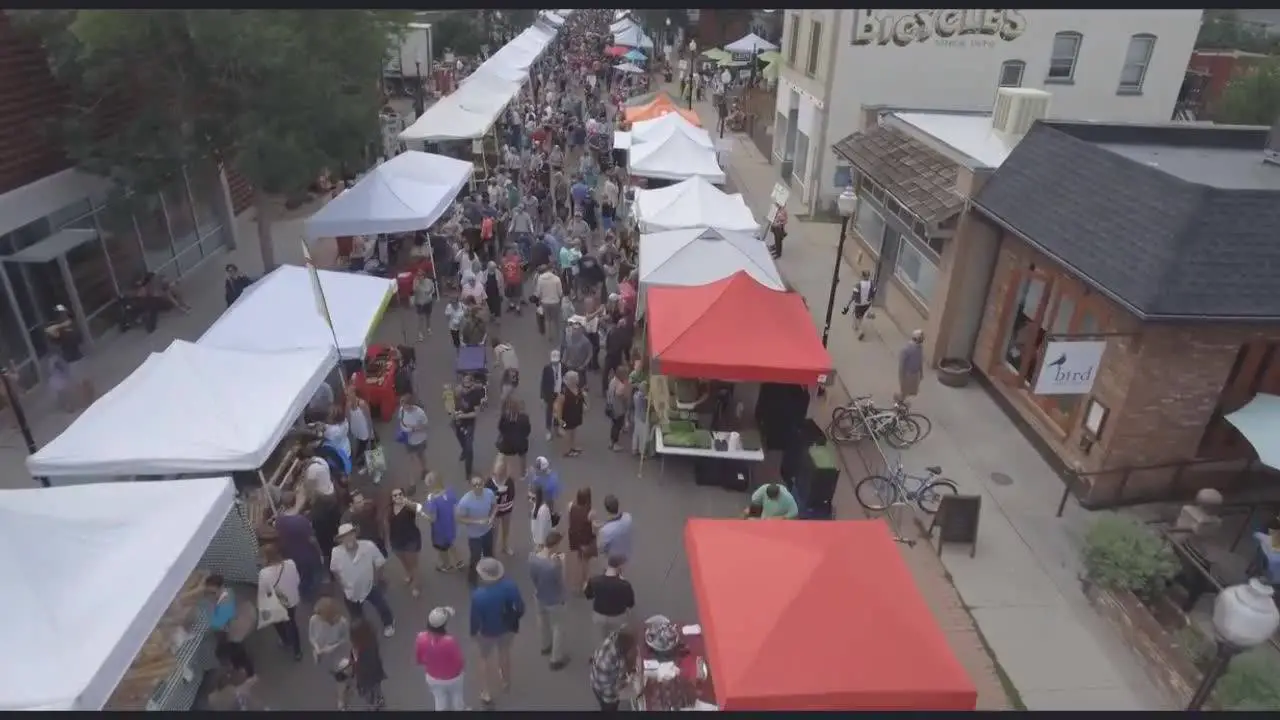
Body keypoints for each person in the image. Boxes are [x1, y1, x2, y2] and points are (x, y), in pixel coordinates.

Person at [469, 557, 525, 706]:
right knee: (505, 652)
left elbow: (475, 619)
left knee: (484, 658)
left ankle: (486, 692)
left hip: (487, 632)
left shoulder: (478, 595)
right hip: (507, 628)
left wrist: (474, 633)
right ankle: (506, 680)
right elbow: (520, 607)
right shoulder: (510, 586)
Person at [330, 523, 396, 637]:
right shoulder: (336, 552)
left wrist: (377, 579)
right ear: (340, 540)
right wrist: (342, 585)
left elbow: (379, 563)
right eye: (344, 537)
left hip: (369, 585)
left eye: (350, 535)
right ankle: (364, 631)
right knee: (356, 616)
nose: (348, 538)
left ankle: (389, 623)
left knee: (381, 605)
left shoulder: (368, 546)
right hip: (350, 591)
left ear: (355, 534)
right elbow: (334, 570)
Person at [272, 490, 324, 602]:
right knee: (312, 575)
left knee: (300, 575)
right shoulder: (302, 521)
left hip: (290, 554)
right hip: (307, 555)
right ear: (295, 502)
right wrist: (320, 552)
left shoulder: (279, 521)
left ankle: (304, 592)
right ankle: (312, 593)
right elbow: (312, 539)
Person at [528, 529, 569, 669]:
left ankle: (545, 645)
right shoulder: (554, 566)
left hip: (539, 595)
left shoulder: (533, 558)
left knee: (542, 621)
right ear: (555, 545)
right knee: (558, 627)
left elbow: (533, 577)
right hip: (554, 599)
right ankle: (556, 658)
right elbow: (562, 581)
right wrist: (562, 564)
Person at [257, 543, 303, 660]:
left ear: (266, 558)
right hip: (292, 600)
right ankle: (297, 651)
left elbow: (265, 591)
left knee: (277, 622)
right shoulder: (291, 563)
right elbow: (297, 580)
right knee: (291, 623)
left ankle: (285, 640)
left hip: (277, 603)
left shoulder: (264, 573)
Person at [205, 573, 257, 678]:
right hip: (235, 627)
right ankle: (241, 667)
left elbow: (219, 624)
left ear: (220, 588)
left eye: (212, 592)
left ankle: (248, 671)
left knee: (238, 652)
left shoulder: (225, 603)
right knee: (237, 652)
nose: (211, 595)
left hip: (234, 631)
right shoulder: (226, 592)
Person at [417, 606, 468, 711]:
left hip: (433, 677)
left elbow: (419, 659)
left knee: (439, 701)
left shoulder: (421, 638)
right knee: (457, 699)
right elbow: (459, 661)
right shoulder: (450, 641)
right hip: (453, 678)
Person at [45, 304, 93, 412]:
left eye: (64, 314)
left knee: (85, 380)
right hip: (68, 359)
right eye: (61, 315)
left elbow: (79, 337)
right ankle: (78, 403)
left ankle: (88, 399)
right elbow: (49, 331)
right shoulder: (58, 329)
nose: (64, 317)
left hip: (78, 355)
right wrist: (62, 325)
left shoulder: (72, 326)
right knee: (73, 383)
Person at [309, 596, 354, 709]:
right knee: (335, 675)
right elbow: (312, 636)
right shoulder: (314, 620)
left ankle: (341, 701)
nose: (317, 616)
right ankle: (348, 679)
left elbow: (346, 639)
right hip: (324, 657)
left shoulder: (342, 623)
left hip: (339, 656)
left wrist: (332, 647)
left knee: (340, 679)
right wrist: (316, 647)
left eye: (320, 614)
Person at [456, 475, 498, 586]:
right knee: (475, 557)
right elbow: (459, 518)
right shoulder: (465, 501)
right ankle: (472, 580)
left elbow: (495, 506)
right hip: (474, 536)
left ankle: (491, 573)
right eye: (475, 485)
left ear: (483, 483)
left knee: (489, 554)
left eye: (480, 483)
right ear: (471, 486)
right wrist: (477, 522)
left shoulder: (489, 493)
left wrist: (492, 517)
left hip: (488, 531)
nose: (478, 486)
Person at [585, 554, 635, 643]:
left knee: (601, 641)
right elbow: (630, 604)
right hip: (617, 617)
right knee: (617, 641)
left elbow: (588, 595)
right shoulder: (625, 585)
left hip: (599, 616)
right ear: (620, 567)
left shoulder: (594, 580)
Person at [421, 472, 466, 572]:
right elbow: (456, 506)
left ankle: (446, 565)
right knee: (451, 544)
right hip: (450, 526)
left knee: (442, 549)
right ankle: (459, 561)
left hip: (439, 531)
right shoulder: (450, 491)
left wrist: (423, 514)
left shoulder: (433, 500)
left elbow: (433, 518)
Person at [589, 627, 638, 711]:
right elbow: (618, 687)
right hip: (605, 691)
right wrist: (633, 686)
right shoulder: (614, 661)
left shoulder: (615, 637)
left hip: (596, 680)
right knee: (610, 708)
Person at [388, 487, 425, 598]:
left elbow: (418, 508)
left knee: (413, 564)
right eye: (395, 495)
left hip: (410, 540)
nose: (398, 496)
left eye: (400, 494)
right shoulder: (390, 509)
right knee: (403, 561)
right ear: (391, 498)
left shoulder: (408, 507)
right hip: (396, 540)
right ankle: (408, 574)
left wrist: (407, 502)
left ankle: (415, 585)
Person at [452, 373, 486, 479]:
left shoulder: (475, 395)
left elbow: (476, 413)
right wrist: (454, 412)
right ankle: (464, 451)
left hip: (469, 423)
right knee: (460, 437)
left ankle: (468, 471)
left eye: (468, 386)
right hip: (458, 421)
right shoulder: (458, 391)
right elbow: (454, 403)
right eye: (464, 386)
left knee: (469, 447)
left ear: (472, 384)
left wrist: (463, 415)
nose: (466, 389)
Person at [350, 618, 388, 710]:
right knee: (376, 688)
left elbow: (359, 663)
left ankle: (372, 706)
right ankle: (379, 700)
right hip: (376, 671)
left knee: (367, 693)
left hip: (365, 677)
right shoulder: (372, 640)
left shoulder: (359, 649)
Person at [485, 455, 517, 556]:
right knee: (494, 531)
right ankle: (492, 551)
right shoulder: (490, 482)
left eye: (501, 472)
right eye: (497, 472)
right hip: (494, 510)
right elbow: (486, 496)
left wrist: (506, 493)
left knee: (506, 529)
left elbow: (512, 494)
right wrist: (496, 494)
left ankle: (505, 546)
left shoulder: (509, 481)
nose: (499, 475)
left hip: (507, 509)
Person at [566, 486, 597, 592]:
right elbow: (593, 529)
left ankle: (577, 577)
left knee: (579, 556)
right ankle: (584, 581)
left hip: (575, 537)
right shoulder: (591, 512)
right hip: (585, 539)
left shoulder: (571, 507)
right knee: (586, 561)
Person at [496, 396, 531, 482]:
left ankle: (508, 475)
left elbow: (500, 428)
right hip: (521, 442)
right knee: (522, 457)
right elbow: (528, 429)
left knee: (508, 459)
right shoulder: (524, 417)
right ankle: (523, 474)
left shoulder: (505, 417)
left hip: (507, 442)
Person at [553, 370, 587, 457]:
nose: (577, 380)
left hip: (575, 415)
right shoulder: (564, 392)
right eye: (575, 378)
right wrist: (560, 419)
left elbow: (580, 399)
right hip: (566, 417)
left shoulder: (577, 388)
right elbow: (558, 406)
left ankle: (572, 447)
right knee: (567, 433)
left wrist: (584, 406)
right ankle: (566, 450)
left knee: (573, 431)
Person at [396, 393, 430, 479]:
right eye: (402, 404)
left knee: (421, 455)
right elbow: (400, 420)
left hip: (419, 439)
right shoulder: (402, 410)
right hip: (408, 439)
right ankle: (412, 482)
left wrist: (414, 429)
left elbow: (426, 425)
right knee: (410, 459)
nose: (403, 407)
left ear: (411, 404)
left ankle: (424, 469)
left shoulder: (419, 413)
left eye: (405, 405)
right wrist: (403, 429)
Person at [596, 494, 634, 567]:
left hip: (612, 559)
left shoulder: (604, 531)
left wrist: (597, 531)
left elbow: (600, 547)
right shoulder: (628, 517)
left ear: (607, 509)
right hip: (625, 553)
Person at [842, 270, 876, 341]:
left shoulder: (858, 285)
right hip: (867, 304)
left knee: (857, 317)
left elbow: (853, 296)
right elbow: (873, 294)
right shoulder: (872, 284)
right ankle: (867, 314)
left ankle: (860, 331)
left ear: (862, 276)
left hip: (859, 304)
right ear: (868, 276)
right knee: (861, 315)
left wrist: (847, 305)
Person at [540, 350, 566, 441]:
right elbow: (543, 383)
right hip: (550, 394)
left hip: (559, 393)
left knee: (559, 412)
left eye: (556, 361)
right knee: (549, 412)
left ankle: (557, 428)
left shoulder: (563, 367)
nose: (555, 363)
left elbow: (565, 379)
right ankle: (548, 430)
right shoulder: (547, 368)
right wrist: (542, 396)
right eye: (553, 361)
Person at [535, 264, 565, 341]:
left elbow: (538, 292)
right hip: (555, 302)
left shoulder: (540, 279)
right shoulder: (556, 279)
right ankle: (558, 335)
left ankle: (549, 336)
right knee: (556, 320)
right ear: (549, 270)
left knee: (547, 320)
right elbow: (560, 292)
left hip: (545, 302)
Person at [605, 366, 631, 452]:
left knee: (613, 425)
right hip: (618, 408)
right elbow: (620, 394)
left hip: (611, 406)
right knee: (617, 426)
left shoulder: (613, 381)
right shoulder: (620, 385)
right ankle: (615, 443)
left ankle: (611, 442)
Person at [898, 329, 926, 403]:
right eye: (921, 338)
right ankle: (899, 402)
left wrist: (921, 372)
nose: (922, 340)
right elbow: (902, 364)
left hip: (915, 373)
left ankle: (901, 399)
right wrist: (902, 377)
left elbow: (920, 360)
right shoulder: (906, 349)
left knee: (911, 391)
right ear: (916, 339)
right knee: (905, 390)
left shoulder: (920, 348)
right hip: (908, 373)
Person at [492, 337, 520, 405]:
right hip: (514, 371)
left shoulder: (503, 353)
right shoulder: (507, 347)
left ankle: (507, 404)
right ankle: (509, 400)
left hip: (510, 371)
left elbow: (506, 366)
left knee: (505, 391)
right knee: (510, 388)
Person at [413, 268, 437, 340]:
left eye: (421, 275)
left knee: (428, 316)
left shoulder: (428, 281)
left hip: (428, 301)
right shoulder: (416, 282)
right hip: (420, 303)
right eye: (418, 275)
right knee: (421, 318)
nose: (420, 277)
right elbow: (414, 290)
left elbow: (433, 289)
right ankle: (420, 333)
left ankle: (428, 328)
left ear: (424, 276)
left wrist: (430, 293)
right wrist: (416, 283)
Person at [631, 380, 651, 457]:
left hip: (636, 416)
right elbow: (647, 403)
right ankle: (642, 452)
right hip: (643, 418)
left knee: (636, 434)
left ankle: (634, 449)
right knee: (643, 435)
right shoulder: (643, 398)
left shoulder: (635, 395)